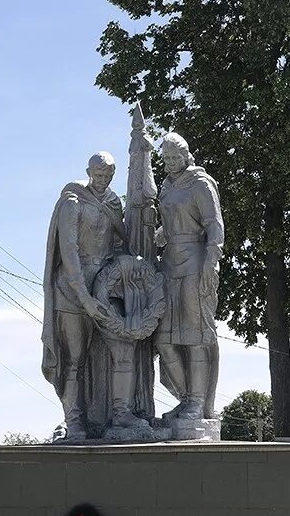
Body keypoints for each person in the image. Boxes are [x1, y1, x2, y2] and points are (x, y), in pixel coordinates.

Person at [42, 151, 142, 439]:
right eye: (99, 175)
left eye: (108, 176)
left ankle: (121, 414)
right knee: (74, 359)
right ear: (88, 171)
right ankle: (74, 421)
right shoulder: (72, 201)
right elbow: (69, 251)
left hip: (105, 285)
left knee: (124, 349)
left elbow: (118, 244)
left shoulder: (113, 202)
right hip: (71, 290)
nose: (103, 180)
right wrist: (84, 296)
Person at [155, 132, 224, 422]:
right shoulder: (165, 187)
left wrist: (212, 261)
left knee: (194, 336)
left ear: (186, 156)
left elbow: (214, 225)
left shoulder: (200, 183)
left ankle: (197, 402)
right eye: (166, 158)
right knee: (164, 338)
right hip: (168, 262)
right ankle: (185, 398)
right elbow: (166, 226)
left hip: (195, 260)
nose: (171, 163)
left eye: (175, 157)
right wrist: (154, 235)